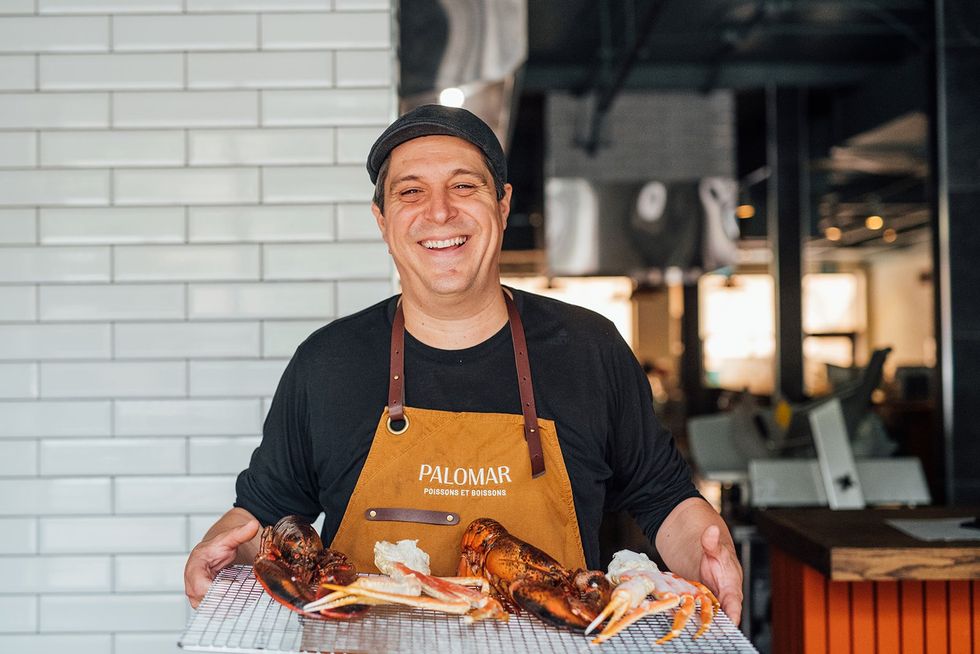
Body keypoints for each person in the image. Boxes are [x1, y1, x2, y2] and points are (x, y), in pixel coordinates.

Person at [184, 104, 743, 624]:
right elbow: (265, 514)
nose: (439, 210)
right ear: (382, 220)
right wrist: (226, 540)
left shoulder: (587, 349)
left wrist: (706, 554)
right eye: (410, 191)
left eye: (464, 186)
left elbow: (664, 498)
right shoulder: (327, 362)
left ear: (501, 204)